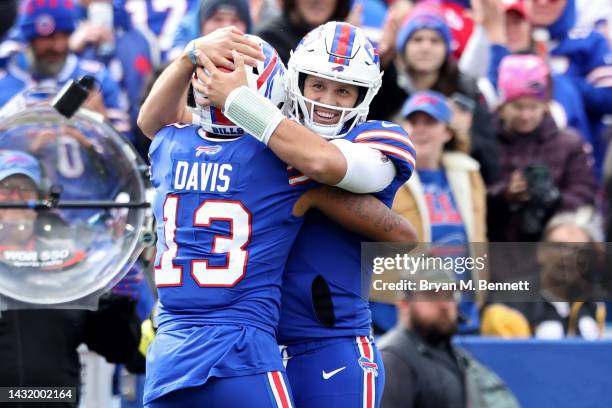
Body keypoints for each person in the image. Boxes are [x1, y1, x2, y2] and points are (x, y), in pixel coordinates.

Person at [138, 33, 417, 407]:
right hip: (251, 344)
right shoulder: (266, 153)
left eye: (344, 92)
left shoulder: (371, 138)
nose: (327, 102)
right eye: (317, 85)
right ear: (290, 81)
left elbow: (324, 164)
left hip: (325, 344)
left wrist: (229, 92)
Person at [0, 149, 142, 408]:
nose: (15, 198)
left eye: (24, 189)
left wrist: (118, 298)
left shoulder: (66, 262)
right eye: (6, 189)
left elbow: (119, 348)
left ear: (42, 201)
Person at [390, 90, 487, 333]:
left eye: (430, 122)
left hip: (461, 307)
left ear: (447, 131)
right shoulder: (385, 175)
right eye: (414, 121)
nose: (421, 129)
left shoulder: (469, 174)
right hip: (402, 310)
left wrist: (479, 295)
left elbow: (478, 238)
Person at [487, 53, 597, 243]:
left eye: (533, 107)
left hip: (552, 248)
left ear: (545, 106)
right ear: (502, 106)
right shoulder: (485, 141)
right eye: (518, 107)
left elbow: (585, 192)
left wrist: (554, 200)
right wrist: (506, 194)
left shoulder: (569, 143)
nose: (526, 115)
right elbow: (471, 195)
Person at [378, 264, 520, 408]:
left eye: (449, 295)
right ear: (404, 304)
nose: (445, 305)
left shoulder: (454, 354)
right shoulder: (393, 358)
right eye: (432, 295)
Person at [391, 2, 499, 185]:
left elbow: (490, 169)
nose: (426, 47)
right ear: (403, 46)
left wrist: (465, 135)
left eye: (435, 40)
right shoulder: (386, 89)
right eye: (417, 39)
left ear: (447, 48)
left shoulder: (465, 94)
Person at [0, 0, 129, 131]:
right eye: (49, 38)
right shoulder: (4, 80)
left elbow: (126, 143)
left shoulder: (96, 77)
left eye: (65, 35)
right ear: (28, 39)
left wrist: (101, 124)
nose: (58, 47)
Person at [170, 0, 252, 60]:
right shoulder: (177, 70)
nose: (227, 28)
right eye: (218, 19)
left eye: (235, 20)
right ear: (200, 24)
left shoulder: (260, 67)